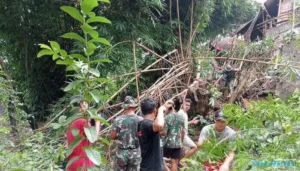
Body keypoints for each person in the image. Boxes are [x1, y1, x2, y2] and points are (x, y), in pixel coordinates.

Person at [138, 98, 174, 171]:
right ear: (155, 110)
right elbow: (159, 125)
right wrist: (160, 110)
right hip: (151, 168)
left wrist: (165, 111)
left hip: (149, 166)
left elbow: (162, 130)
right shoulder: (147, 124)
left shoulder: (143, 124)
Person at [110, 96, 143, 171]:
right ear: (134, 107)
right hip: (136, 153)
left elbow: (112, 136)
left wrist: (120, 136)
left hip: (122, 153)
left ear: (124, 107)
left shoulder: (118, 120)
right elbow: (143, 136)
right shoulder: (141, 120)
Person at [65, 96, 95, 171]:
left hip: (72, 163)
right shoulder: (83, 121)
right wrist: (97, 123)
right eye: (83, 103)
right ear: (81, 105)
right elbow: (93, 139)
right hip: (83, 164)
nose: (85, 105)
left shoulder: (69, 123)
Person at [177, 97, 199, 162]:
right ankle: (182, 161)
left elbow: (184, 123)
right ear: (182, 104)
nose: (188, 106)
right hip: (181, 135)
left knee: (181, 151)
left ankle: (180, 161)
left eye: (189, 105)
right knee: (194, 147)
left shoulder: (184, 113)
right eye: (186, 104)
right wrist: (181, 140)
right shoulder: (181, 112)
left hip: (184, 135)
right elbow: (178, 126)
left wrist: (191, 121)